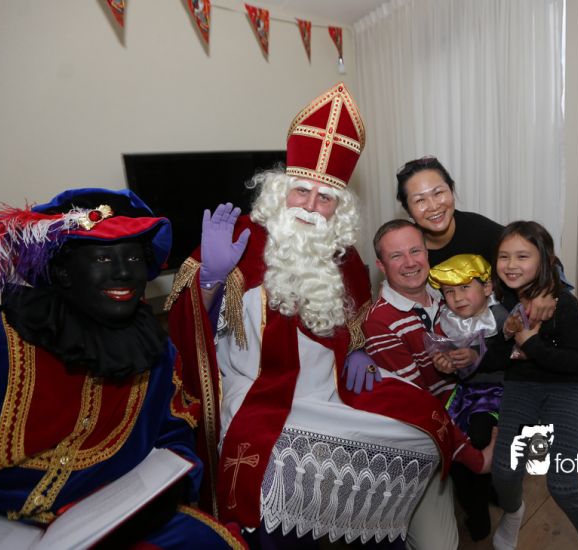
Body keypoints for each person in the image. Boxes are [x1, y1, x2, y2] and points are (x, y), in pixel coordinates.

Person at [165, 83, 485, 549]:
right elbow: (186, 330)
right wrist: (210, 280)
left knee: (417, 422)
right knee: (270, 472)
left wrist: (357, 350)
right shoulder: (236, 239)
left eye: (326, 197)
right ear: (281, 191)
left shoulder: (344, 255)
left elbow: (355, 321)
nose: (312, 207)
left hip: (329, 386)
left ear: (339, 207)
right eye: (302, 191)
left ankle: (378, 530)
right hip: (254, 387)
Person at [0, 188, 244, 548]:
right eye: (103, 258)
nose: (123, 272)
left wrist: (162, 496)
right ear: (63, 272)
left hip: (107, 522)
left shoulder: (155, 350)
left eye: (134, 258)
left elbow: (176, 433)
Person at [363, 220, 496, 547]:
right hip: (427, 437)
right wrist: (475, 459)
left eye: (415, 251)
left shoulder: (449, 293)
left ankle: (485, 489)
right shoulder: (381, 322)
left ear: (427, 253)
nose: (410, 262)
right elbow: (421, 407)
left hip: (472, 406)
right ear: (381, 265)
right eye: (396, 256)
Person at [489, 221, 578, 550]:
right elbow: (498, 359)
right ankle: (513, 512)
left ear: (545, 261)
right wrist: (506, 335)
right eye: (504, 256)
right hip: (521, 386)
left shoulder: (564, 304)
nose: (511, 265)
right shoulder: (501, 301)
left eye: (522, 256)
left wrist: (530, 343)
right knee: (504, 472)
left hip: (565, 388)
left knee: (564, 486)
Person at [395, 156, 557, 324]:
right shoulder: (407, 248)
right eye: (420, 200)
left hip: (503, 325)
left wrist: (546, 290)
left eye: (438, 193)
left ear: (451, 191)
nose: (433, 206)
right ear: (408, 210)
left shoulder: (479, 229)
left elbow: (542, 257)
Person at [427, 253, 512, 540]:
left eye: (465, 287)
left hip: (498, 392)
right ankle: (475, 506)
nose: (457, 298)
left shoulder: (501, 318)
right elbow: (450, 362)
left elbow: (512, 355)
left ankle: (490, 491)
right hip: (464, 393)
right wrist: (445, 363)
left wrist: (478, 356)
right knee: (454, 444)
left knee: (481, 437)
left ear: (487, 287)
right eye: (449, 291)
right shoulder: (447, 320)